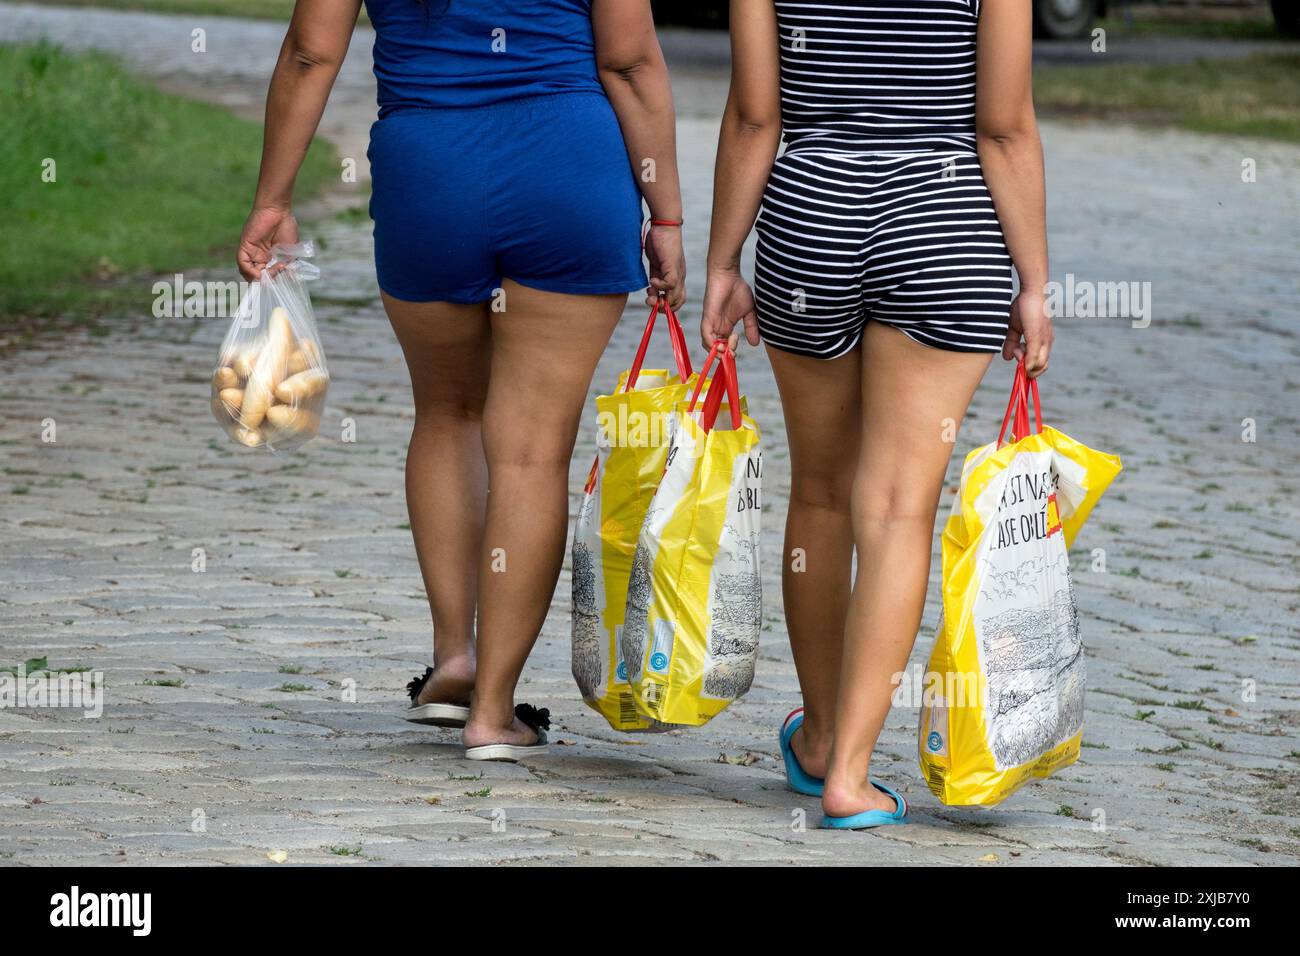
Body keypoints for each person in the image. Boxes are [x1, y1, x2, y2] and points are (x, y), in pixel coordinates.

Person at [237, 0, 685, 760]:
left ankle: (455, 660)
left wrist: (273, 201)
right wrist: (667, 215)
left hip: (429, 170)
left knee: (447, 413)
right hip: (566, 166)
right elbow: (629, 59)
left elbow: (312, 52)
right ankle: (494, 713)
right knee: (532, 452)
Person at [701, 0, 1053, 827]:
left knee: (821, 491)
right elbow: (1003, 126)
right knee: (898, 509)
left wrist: (722, 259)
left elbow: (757, 115)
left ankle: (817, 735)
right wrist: (1034, 281)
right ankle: (850, 776)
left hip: (810, 220)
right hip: (946, 222)